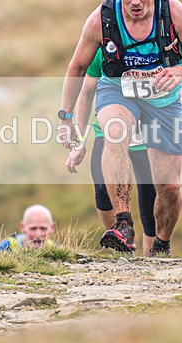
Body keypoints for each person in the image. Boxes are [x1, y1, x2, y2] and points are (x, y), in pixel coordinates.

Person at [58, 0, 182, 256]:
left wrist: (181, 69)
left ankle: (162, 245)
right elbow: (77, 69)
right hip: (118, 92)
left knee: (169, 188)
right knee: (115, 130)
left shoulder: (175, 13)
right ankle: (123, 222)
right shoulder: (100, 20)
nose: (135, 1)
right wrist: (65, 118)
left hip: (163, 102)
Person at [65, 51, 158, 256]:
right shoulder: (104, 49)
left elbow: (176, 91)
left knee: (150, 203)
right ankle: (123, 248)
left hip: (146, 137)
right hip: (108, 133)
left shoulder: (156, 47)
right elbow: (86, 92)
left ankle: (152, 260)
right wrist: (79, 142)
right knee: (103, 195)